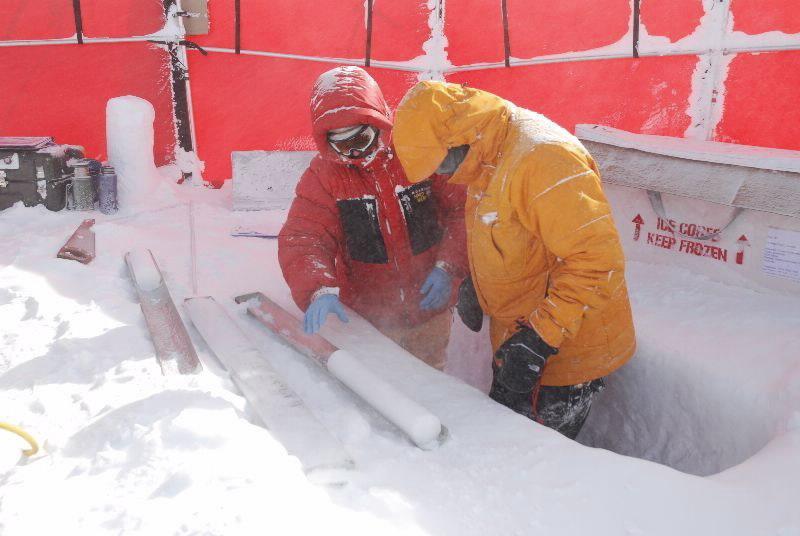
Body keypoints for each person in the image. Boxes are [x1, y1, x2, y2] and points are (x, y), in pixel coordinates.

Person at [392, 81, 636, 439]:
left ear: (459, 137)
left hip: (560, 352)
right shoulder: (486, 155)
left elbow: (597, 261)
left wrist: (539, 339)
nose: (441, 176)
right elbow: (509, 232)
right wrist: (478, 282)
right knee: (502, 440)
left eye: (440, 164)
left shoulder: (544, 160)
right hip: (517, 338)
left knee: (530, 463)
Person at [278, 67, 467, 371]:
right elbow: (305, 237)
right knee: (386, 387)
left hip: (431, 309)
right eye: (342, 145)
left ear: (378, 121)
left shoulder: (417, 152)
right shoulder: (324, 177)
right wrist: (318, 288)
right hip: (370, 317)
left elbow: (463, 210)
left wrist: (449, 267)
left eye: (361, 139)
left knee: (432, 383)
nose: (355, 153)